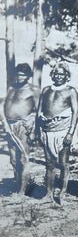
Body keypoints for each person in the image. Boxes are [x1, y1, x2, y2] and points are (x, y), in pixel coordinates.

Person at [36, 62, 78, 204]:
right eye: (56, 74)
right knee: (49, 163)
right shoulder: (46, 90)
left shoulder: (70, 90)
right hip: (48, 130)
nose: (59, 76)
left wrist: (70, 133)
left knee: (64, 163)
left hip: (64, 130)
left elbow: (76, 112)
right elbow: (39, 111)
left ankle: (62, 194)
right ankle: (48, 194)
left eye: (62, 74)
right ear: (52, 75)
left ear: (67, 76)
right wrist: (38, 130)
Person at [2, 63, 40, 196]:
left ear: (28, 76)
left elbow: (39, 110)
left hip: (23, 127)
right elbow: (3, 105)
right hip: (10, 126)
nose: (20, 77)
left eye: (23, 74)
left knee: (23, 158)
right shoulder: (12, 88)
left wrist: (33, 128)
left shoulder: (33, 90)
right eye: (18, 74)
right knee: (13, 159)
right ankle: (17, 185)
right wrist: (5, 123)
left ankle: (22, 191)